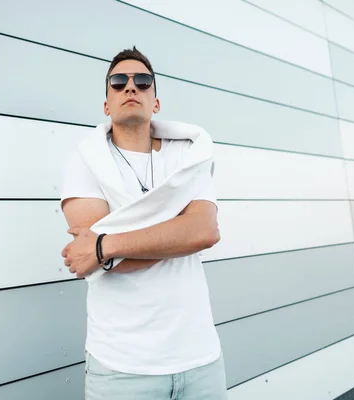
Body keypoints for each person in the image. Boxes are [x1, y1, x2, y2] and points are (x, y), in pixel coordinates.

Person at [60, 46, 228, 399]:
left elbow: (204, 232)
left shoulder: (188, 155)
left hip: (199, 359)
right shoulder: (84, 162)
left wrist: (106, 244)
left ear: (156, 101)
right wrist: (175, 233)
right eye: (118, 82)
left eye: (142, 81)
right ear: (107, 105)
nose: (130, 87)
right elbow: (96, 263)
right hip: (123, 368)